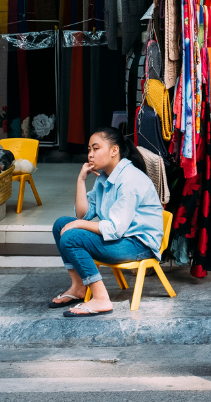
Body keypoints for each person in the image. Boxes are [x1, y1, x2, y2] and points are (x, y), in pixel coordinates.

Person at [50, 127, 164, 317]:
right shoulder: (104, 177)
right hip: (121, 239)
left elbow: (114, 229)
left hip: (138, 244)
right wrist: (80, 180)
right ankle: (78, 287)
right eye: (89, 150)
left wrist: (78, 225)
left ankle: (101, 298)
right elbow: (83, 215)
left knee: (72, 236)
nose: (91, 155)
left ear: (114, 150)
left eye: (96, 148)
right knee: (61, 224)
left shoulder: (129, 180)